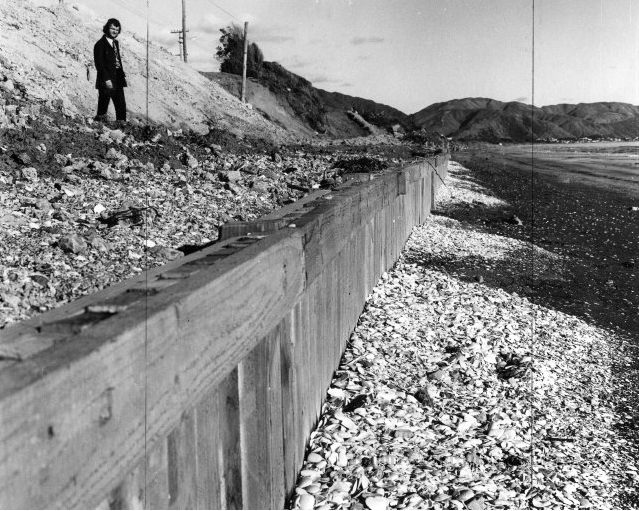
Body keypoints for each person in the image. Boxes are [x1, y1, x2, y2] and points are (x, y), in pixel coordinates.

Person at [93, 18, 127, 124]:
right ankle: (99, 126)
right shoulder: (100, 44)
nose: (115, 31)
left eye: (117, 30)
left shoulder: (115, 43)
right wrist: (107, 79)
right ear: (107, 28)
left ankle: (121, 127)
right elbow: (100, 64)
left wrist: (122, 75)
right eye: (112, 29)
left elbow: (117, 60)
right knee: (104, 103)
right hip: (106, 79)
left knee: (121, 104)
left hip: (118, 77)